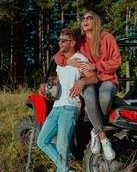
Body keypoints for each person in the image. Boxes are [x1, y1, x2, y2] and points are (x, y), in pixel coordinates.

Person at [55, 11, 122, 161]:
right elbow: (59, 55)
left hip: (107, 78)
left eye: (88, 18)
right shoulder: (79, 41)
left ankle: (94, 131)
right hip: (88, 79)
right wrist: (67, 62)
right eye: (82, 18)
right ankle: (103, 137)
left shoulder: (107, 37)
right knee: (90, 95)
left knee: (105, 95)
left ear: (96, 21)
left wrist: (95, 65)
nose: (84, 20)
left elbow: (116, 61)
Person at [37, 28, 98, 172]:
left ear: (73, 42)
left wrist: (82, 82)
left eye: (63, 40)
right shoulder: (61, 62)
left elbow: (94, 77)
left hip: (70, 107)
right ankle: (64, 168)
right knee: (42, 141)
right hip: (56, 106)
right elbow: (58, 79)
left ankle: (63, 169)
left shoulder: (80, 59)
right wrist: (47, 85)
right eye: (59, 40)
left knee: (62, 146)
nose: (60, 43)